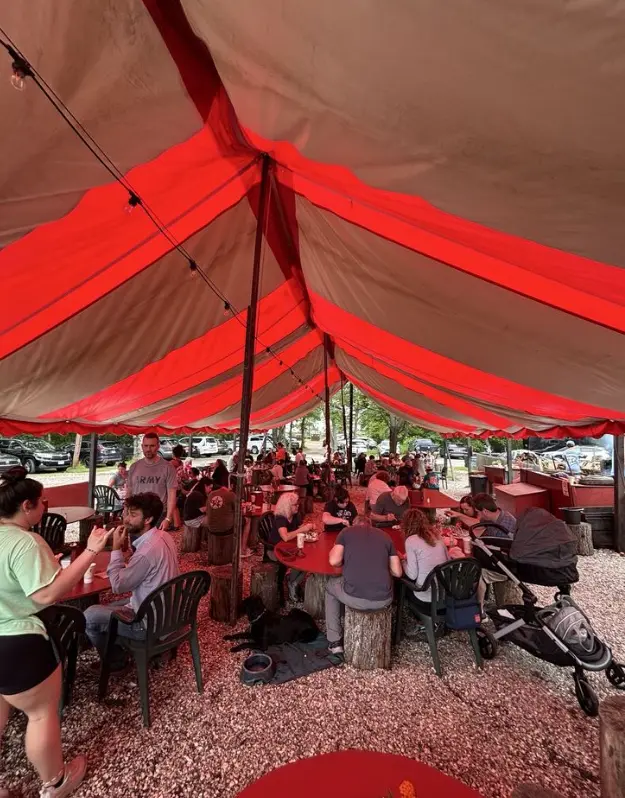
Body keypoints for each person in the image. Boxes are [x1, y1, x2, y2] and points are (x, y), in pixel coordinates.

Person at [0, 467, 112, 797]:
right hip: (18, 641)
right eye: (42, 502)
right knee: (40, 715)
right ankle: (56, 782)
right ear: (27, 506)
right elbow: (47, 594)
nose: (45, 507)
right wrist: (91, 550)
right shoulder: (26, 542)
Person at [84, 492, 179, 670]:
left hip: (149, 624)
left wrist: (116, 548)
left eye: (133, 515)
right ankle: (121, 647)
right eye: (127, 512)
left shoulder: (145, 553)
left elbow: (117, 585)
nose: (126, 519)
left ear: (148, 519)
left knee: (88, 616)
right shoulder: (164, 536)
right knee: (111, 606)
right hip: (169, 612)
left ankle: (116, 661)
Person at [325, 516, 402, 654]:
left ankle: (334, 641)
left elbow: (334, 561)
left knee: (330, 586)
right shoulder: (385, 536)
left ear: (353, 524)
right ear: (370, 525)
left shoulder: (346, 532)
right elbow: (397, 572)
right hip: (384, 599)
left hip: (355, 597)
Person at [126, 432, 178, 531]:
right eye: (146, 446)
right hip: (136, 514)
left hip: (157, 515)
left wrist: (168, 518)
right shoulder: (134, 467)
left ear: (158, 446)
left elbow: (172, 495)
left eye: (152, 446)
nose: (148, 449)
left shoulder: (168, 467)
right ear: (142, 446)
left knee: (155, 541)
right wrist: (126, 512)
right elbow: (129, 491)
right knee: (135, 540)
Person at [268, 493, 313, 602]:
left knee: (308, 559)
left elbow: (299, 527)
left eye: (297, 504)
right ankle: (292, 582)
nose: (298, 506)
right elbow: (286, 537)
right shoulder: (280, 518)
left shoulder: (294, 515)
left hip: (289, 548)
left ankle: (293, 581)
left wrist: (309, 527)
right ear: (287, 506)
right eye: (295, 505)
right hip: (275, 550)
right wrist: (303, 529)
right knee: (301, 560)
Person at [401, 508, 449, 605]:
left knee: (401, 583)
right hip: (445, 592)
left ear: (405, 525)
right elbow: (448, 562)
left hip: (425, 595)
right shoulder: (436, 536)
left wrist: (402, 561)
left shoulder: (411, 540)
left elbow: (412, 575)